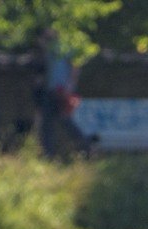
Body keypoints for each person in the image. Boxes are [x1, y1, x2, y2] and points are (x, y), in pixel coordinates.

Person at [33, 28, 92, 157]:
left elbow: (75, 67)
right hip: (49, 90)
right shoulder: (48, 47)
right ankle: (47, 155)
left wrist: (69, 86)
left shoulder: (65, 46)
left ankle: (85, 149)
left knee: (66, 121)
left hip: (62, 91)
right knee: (46, 123)